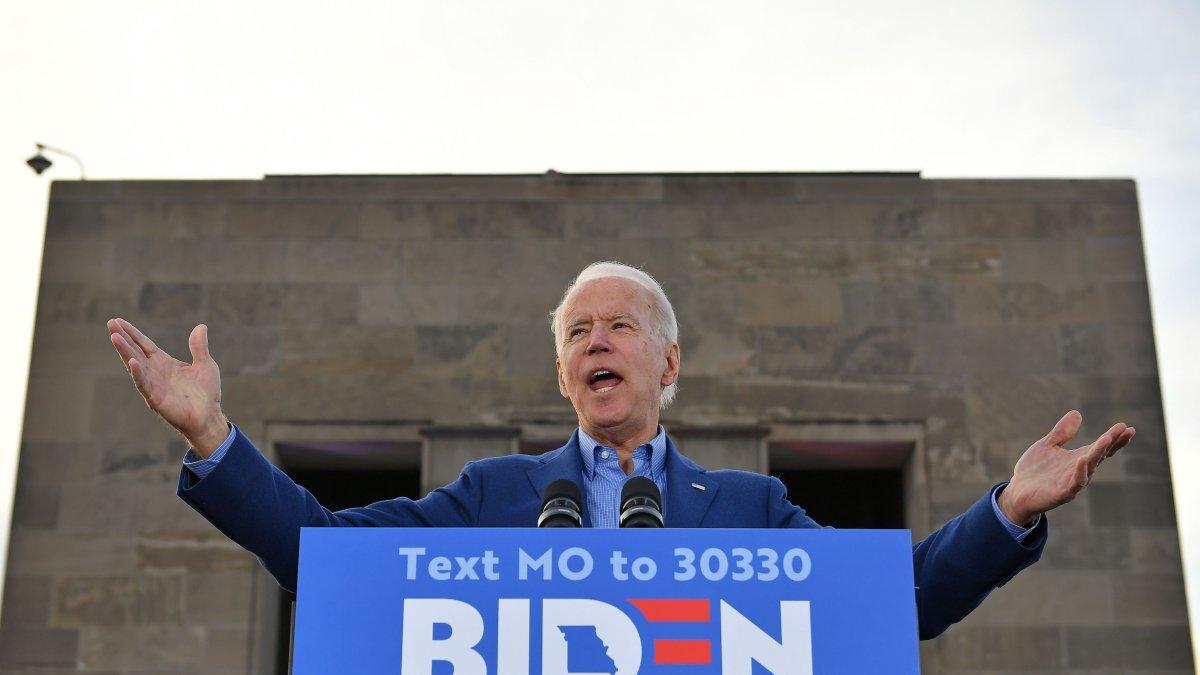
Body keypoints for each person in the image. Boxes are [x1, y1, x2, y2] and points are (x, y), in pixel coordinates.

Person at [106, 261, 1134, 640]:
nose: (595, 340)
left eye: (619, 325)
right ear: (563, 375)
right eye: (576, 333)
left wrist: (1007, 510)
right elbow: (328, 561)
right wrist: (213, 439)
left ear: (668, 359)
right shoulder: (492, 494)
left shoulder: (752, 507)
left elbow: (895, 602)